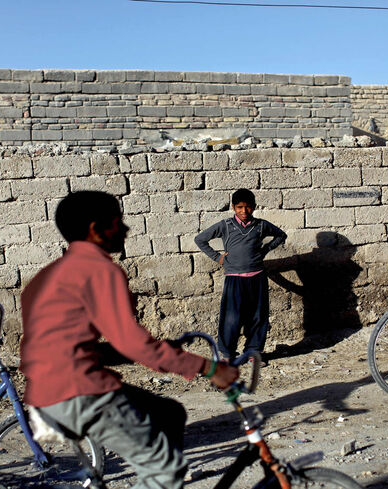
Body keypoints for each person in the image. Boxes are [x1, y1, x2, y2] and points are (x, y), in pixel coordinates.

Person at [20, 191, 238, 489]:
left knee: (168, 413)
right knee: (165, 469)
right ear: (96, 229)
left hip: (47, 393)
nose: (125, 229)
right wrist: (209, 368)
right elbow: (132, 342)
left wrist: (163, 352)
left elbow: (69, 348)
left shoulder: (44, 277)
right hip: (81, 392)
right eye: (117, 222)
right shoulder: (99, 269)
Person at [194, 189, 287, 362]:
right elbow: (200, 239)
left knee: (258, 316)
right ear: (233, 207)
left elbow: (281, 235)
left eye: (248, 207)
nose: (244, 211)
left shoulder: (261, 225)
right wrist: (218, 257)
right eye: (239, 207)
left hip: (257, 277)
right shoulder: (225, 226)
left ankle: (253, 351)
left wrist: (265, 250)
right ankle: (228, 354)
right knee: (231, 317)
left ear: (254, 207)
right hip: (234, 278)